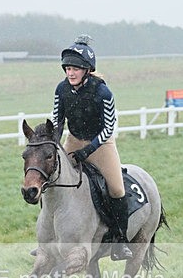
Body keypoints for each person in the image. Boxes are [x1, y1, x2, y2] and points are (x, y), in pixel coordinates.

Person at [52, 36, 133, 260]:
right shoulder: (61, 89)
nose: (70, 73)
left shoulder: (103, 93)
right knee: (52, 179)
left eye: (75, 69)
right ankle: (48, 237)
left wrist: (88, 151)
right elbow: (58, 121)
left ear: (87, 70)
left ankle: (120, 241)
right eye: (68, 69)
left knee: (117, 189)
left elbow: (109, 128)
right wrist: (55, 144)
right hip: (73, 140)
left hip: (101, 143)